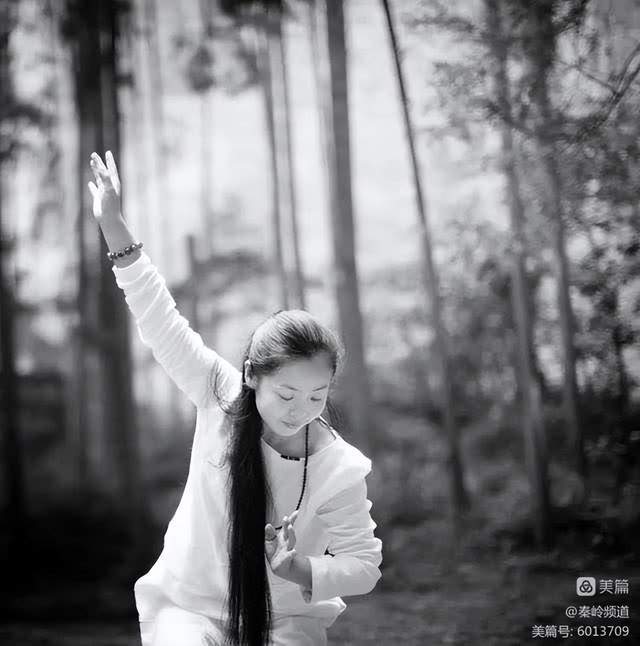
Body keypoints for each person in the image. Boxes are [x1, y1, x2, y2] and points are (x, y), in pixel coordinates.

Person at [88, 151, 383, 646]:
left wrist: (297, 567)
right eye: (286, 393)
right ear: (251, 376)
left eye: (317, 395)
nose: (300, 409)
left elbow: (365, 566)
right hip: (188, 607)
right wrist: (113, 225)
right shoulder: (218, 395)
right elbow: (161, 320)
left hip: (286, 620)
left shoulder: (339, 467)